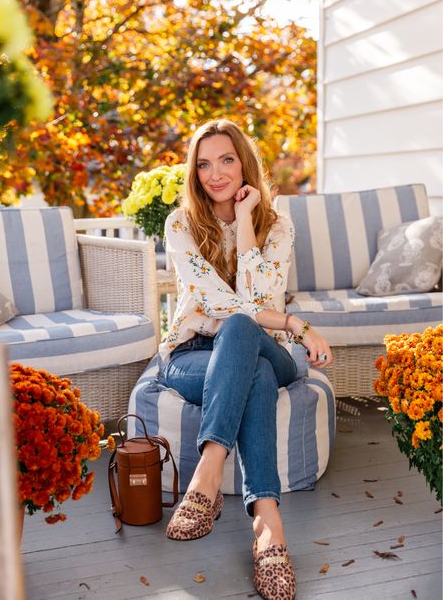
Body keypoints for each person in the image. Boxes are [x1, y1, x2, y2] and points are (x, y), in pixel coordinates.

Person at [157, 119, 332, 600]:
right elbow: (219, 303)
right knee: (245, 356)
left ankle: (208, 471)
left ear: (244, 162)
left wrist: (248, 218)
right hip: (191, 353)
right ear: (194, 172)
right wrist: (296, 324)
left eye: (227, 160)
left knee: (243, 332)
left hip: (268, 349)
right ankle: (269, 526)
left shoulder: (277, 226)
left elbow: (257, 299)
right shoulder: (180, 225)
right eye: (204, 164)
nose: (216, 174)